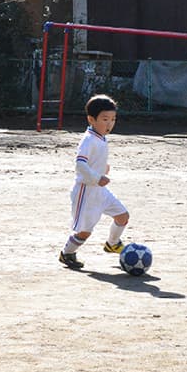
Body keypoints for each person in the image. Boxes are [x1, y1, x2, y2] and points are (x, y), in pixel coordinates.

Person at [58, 94, 130, 269]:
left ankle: (112, 244)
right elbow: (80, 164)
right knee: (84, 232)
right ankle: (67, 253)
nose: (110, 123)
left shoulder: (101, 137)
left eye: (113, 119)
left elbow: (91, 162)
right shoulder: (89, 139)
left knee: (123, 216)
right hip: (86, 192)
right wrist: (98, 177)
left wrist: (102, 169)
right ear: (91, 119)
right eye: (105, 119)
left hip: (100, 191)